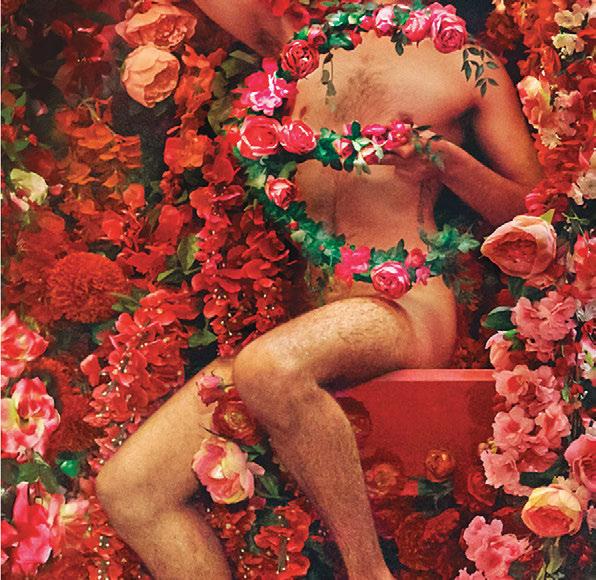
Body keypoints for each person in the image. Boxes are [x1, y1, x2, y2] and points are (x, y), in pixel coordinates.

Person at [96, 1, 543, 578]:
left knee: (269, 366)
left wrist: (448, 164)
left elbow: (534, 216)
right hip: (303, 330)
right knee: (131, 490)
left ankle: (368, 573)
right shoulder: (295, 36)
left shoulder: (463, 61)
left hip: (405, 305)